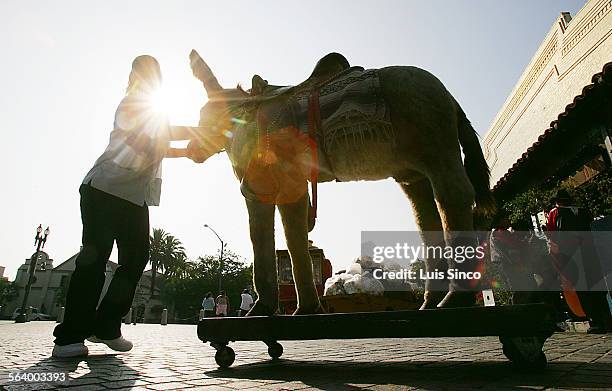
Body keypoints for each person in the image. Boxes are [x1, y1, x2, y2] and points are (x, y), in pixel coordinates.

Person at [52, 55, 196, 358]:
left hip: (134, 197)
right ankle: (68, 337)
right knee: (94, 258)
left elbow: (159, 143)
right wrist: (198, 135)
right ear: (134, 75)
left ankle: (106, 326)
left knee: (135, 260)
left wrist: (192, 149)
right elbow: (150, 140)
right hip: (104, 189)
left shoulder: (154, 112)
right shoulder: (132, 104)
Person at [546, 189, 611, 333]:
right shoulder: (583, 212)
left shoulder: (556, 213)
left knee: (583, 289)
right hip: (590, 253)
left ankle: (596, 321)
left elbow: (555, 235)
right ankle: (606, 318)